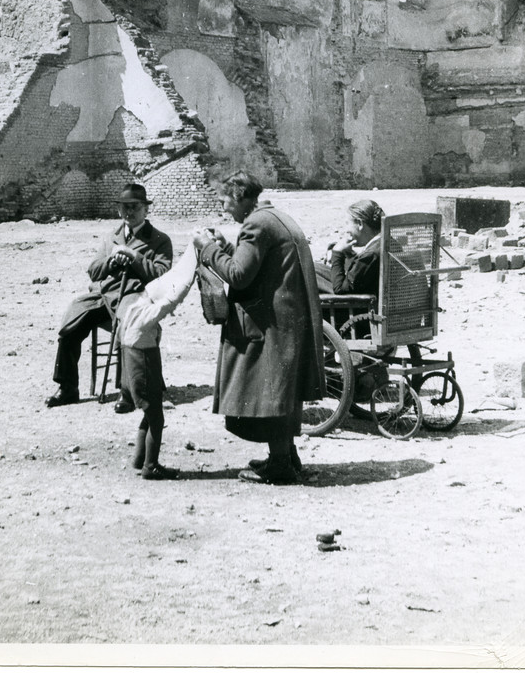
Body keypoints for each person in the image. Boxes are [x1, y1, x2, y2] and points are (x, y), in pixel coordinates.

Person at [194, 171, 325, 485]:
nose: (225, 209)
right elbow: (254, 263)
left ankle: (280, 465)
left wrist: (208, 249)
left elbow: (239, 276)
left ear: (240, 196)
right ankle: (286, 457)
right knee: (281, 391)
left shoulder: (256, 224)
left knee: (270, 392)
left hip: (271, 323)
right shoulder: (276, 217)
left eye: (225, 201)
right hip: (289, 319)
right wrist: (226, 246)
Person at [45, 183, 173, 409]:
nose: (129, 213)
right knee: (71, 324)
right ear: (118, 210)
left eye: (134, 207)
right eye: (124, 208)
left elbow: (162, 275)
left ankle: (128, 391)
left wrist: (134, 257)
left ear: (146, 209)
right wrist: (111, 262)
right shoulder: (111, 237)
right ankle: (68, 388)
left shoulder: (159, 240)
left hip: (136, 297)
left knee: (127, 327)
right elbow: (94, 271)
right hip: (105, 296)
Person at [116, 242, 200, 481]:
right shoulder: (148, 313)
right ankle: (150, 466)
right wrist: (192, 272)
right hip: (144, 365)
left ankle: (140, 459)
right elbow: (172, 299)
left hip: (135, 367)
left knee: (148, 413)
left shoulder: (133, 310)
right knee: (156, 418)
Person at [324, 199, 384, 296]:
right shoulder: (385, 243)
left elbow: (340, 290)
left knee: (309, 273)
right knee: (315, 268)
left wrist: (337, 252)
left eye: (347, 223)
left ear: (360, 224)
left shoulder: (370, 255)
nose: (346, 230)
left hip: (356, 307)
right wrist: (351, 255)